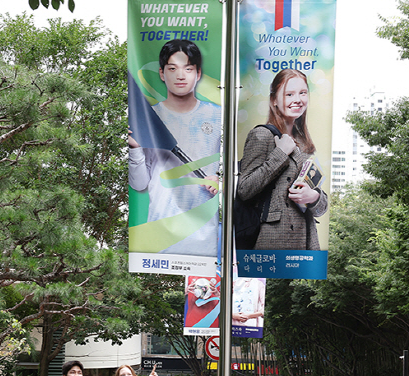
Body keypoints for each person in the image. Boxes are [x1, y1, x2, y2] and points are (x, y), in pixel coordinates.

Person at [128, 39, 222, 256]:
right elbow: (140, 184)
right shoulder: (149, 119)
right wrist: (135, 150)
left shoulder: (218, 116)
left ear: (198, 73)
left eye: (188, 69)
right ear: (162, 73)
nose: (181, 76)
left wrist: (220, 178)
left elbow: (236, 170)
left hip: (203, 236)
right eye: (173, 69)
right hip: (161, 235)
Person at [237, 68, 328, 250]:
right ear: (274, 101)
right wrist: (280, 154)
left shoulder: (304, 144)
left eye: (302, 93)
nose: (297, 100)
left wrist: (313, 196)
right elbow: (244, 189)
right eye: (289, 94)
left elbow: (321, 209)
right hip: (270, 244)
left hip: (306, 244)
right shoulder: (261, 135)